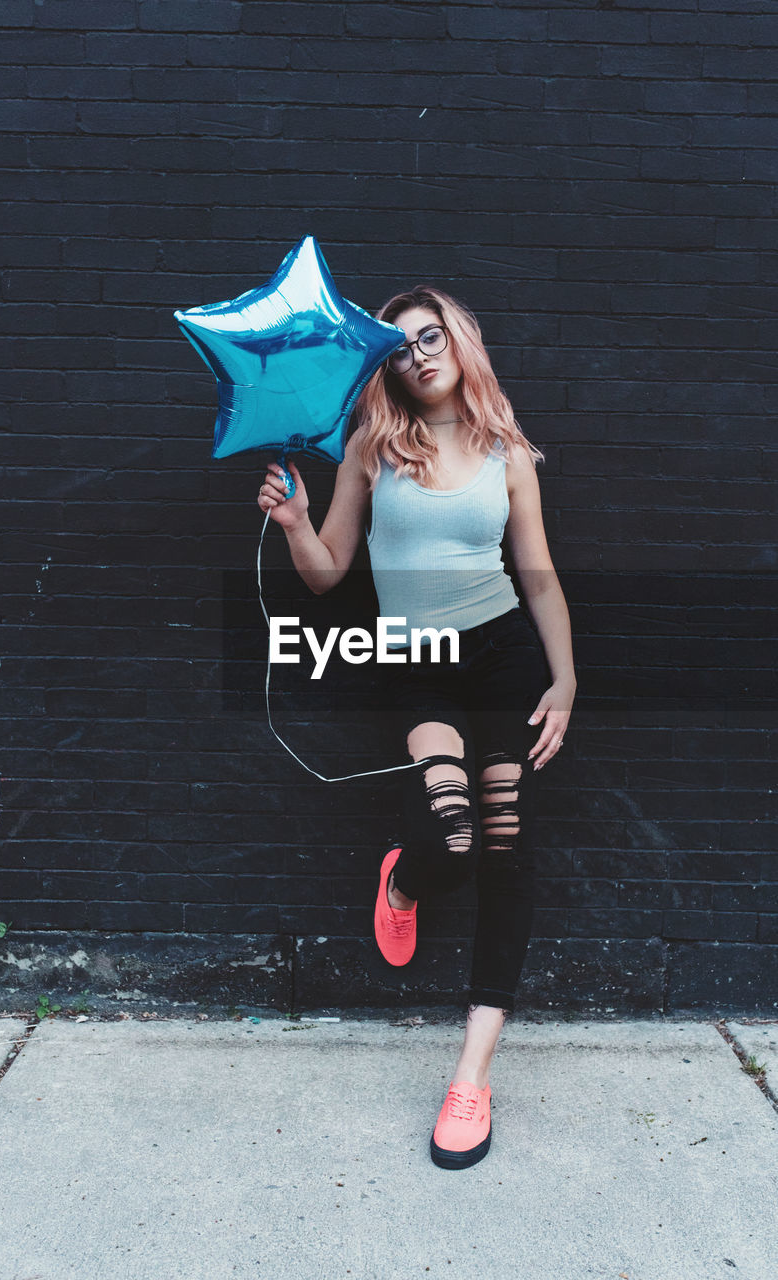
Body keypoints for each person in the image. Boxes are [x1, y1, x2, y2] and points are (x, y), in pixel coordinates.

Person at [256, 286, 576, 1170]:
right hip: (418, 656)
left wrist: (566, 679)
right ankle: (404, 883)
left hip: (505, 654)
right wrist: (291, 522)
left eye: (430, 336)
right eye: (399, 347)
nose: (418, 354)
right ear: (385, 366)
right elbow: (325, 576)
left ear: (459, 340)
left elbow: (538, 577)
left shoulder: (507, 451)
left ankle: (470, 1076)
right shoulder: (370, 447)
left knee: (508, 847)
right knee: (454, 837)